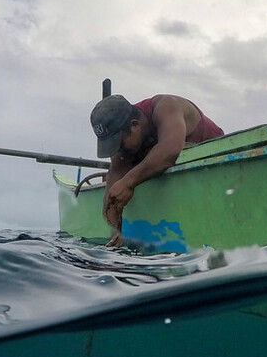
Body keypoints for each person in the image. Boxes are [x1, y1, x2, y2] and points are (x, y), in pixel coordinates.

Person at [90, 93, 224, 246]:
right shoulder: (123, 149)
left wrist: (128, 183)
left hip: (214, 162)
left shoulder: (166, 106)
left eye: (119, 143)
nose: (118, 151)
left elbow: (170, 151)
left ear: (135, 125)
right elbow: (111, 197)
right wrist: (115, 233)